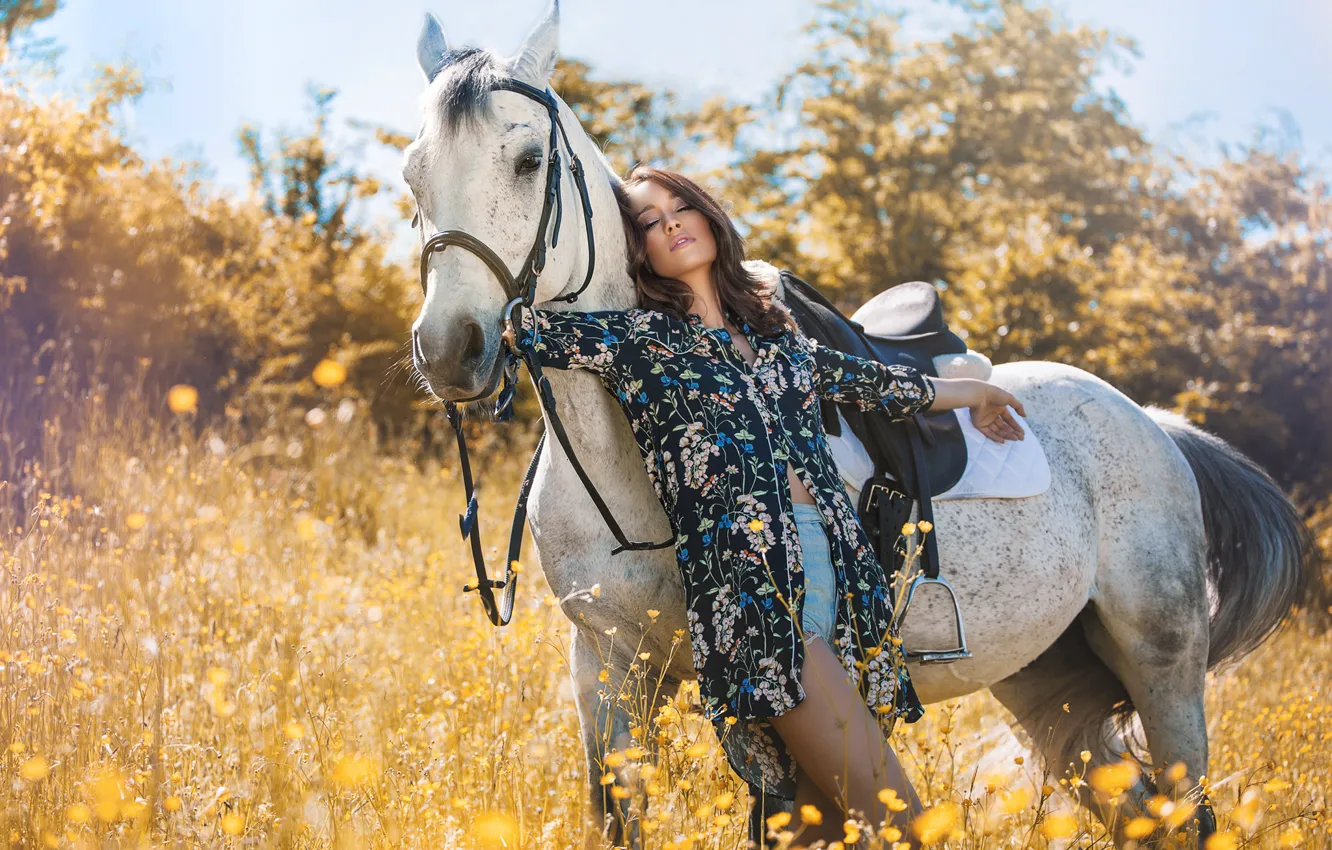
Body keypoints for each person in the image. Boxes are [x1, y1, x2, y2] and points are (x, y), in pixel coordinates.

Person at [515, 165, 1026, 843]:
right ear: (638, 250)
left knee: (816, 827)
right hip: (754, 594)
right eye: (646, 220)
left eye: (680, 206)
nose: (669, 221)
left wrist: (977, 394)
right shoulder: (640, 342)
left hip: (842, 575)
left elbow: (878, 384)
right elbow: (520, 326)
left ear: (707, 218)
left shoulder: (779, 335)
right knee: (903, 825)